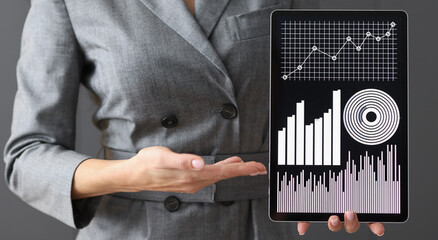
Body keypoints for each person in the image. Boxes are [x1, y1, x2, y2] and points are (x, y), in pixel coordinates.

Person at [3, 0, 384, 239]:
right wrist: (132, 174)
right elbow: (27, 156)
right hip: (135, 228)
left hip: (255, 226)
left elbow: (328, 98)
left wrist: (342, 184)